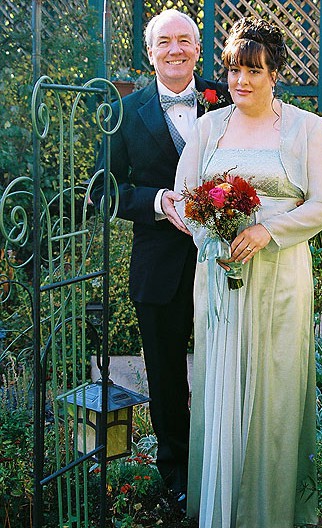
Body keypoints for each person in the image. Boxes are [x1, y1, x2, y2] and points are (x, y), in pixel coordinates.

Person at [170, 16, 322, 528]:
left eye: (253, 71)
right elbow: (183, 199)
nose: (240, 82)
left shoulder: (310, 128)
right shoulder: (207, 128)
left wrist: (269, 231)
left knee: (275, 386)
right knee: (221, 383)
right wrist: (211, 232)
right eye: (233, 70)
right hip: (221, 277)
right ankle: (220, 507)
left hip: (281, 277)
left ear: (275, 74)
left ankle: (267, 511)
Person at [92, 9, 231, 507]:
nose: (175, 50)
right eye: (164, 42)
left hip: (225, 261)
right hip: (159, 269)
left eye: (185, 41)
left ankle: (225, 462)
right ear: (150, 53)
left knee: (228, 366)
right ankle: (177, 474)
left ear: (198, 49)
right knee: (168, 378)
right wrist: (155, 202)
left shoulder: (227, 95)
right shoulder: (126, 112)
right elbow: (104, 190)